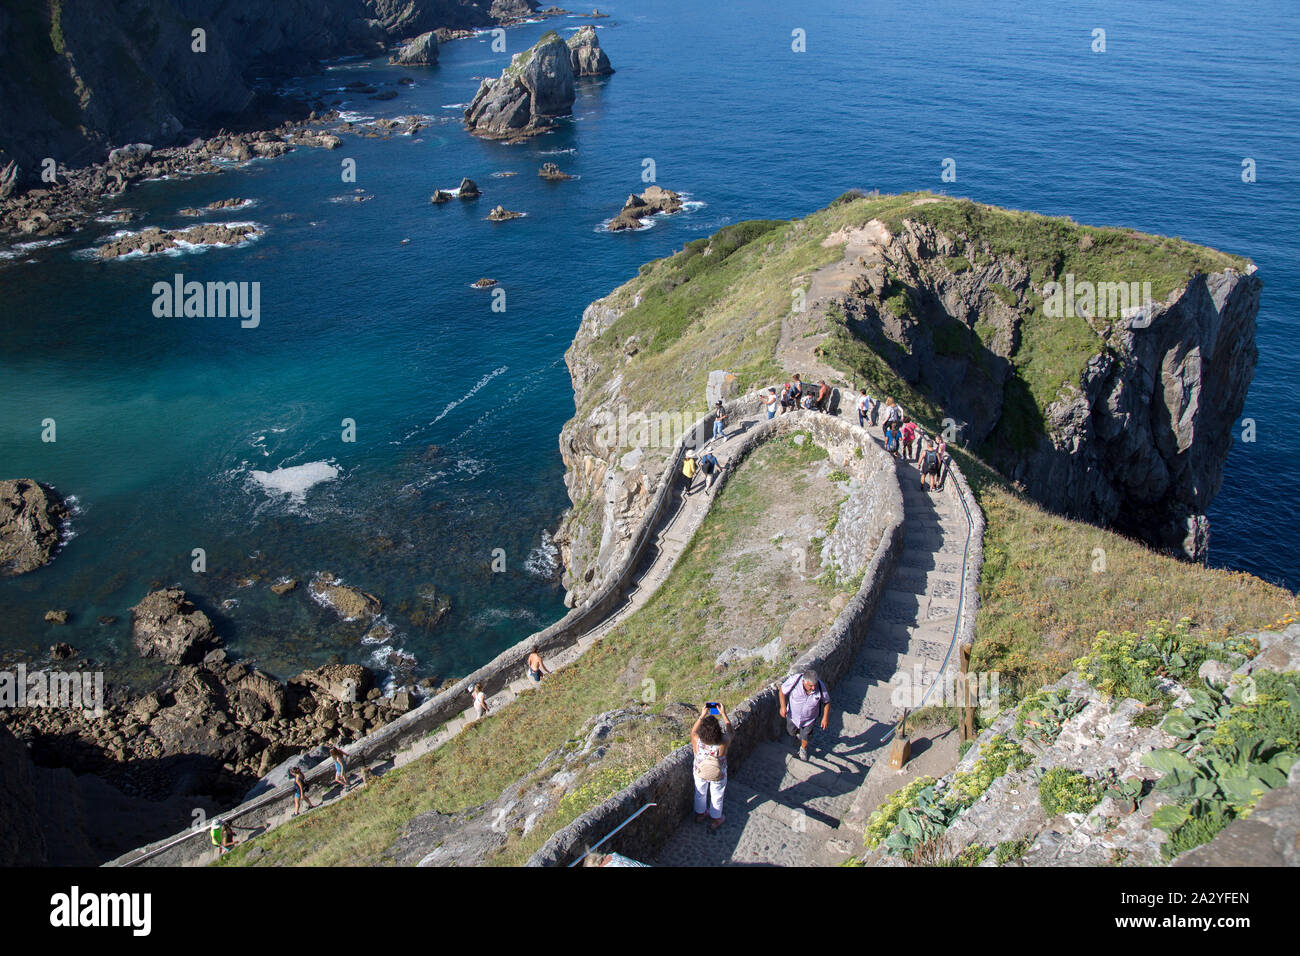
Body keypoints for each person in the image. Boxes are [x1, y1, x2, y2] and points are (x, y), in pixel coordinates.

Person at [691, 702, 733, 829]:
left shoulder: (697, 740)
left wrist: (702, 715)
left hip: (700, 771)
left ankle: (700, 814)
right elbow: (731, 732)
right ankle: (716, 819)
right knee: (717, 795)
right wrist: (724, 714)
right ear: (718, 731)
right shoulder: (723, 742)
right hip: (718, 773)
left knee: (700, 792)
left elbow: (693, 731)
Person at [779, 669, 830, 760]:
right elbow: (782, 691)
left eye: (814, 685)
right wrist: (782, 707)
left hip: (809, 719)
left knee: (806, 736)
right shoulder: (795, 680)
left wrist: (825, 718)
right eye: (810, 686)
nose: (813, 688)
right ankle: (798, 734)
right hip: (793, 716)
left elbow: (827, 702)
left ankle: (803, 748)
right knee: (791, 731)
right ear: (803, 681)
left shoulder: (820, 686)